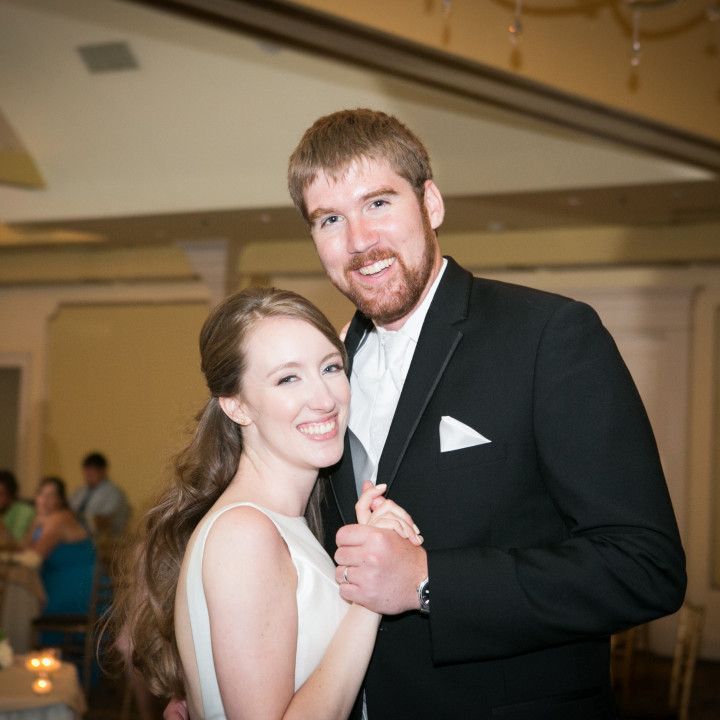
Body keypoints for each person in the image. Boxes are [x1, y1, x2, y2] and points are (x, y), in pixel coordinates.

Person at [283, 108, 687, 719]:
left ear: (432, 204)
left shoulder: (549, 335)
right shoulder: (325, 367)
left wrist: (427, 582)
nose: (359, 241)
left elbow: (645, 566)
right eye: (330, 219)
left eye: (379, 204)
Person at [115, 288, 422, 719]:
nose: (325, 398)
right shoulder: (245, 533)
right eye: (287, 378)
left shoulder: (281, 524)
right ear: (236, 405)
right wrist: (370, 595)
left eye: (330, 367)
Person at [24, 476, 95, 618]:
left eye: (51, 496)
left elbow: (33, 558)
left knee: (20, 601)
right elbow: (24, 549)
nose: (44, 500)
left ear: (61, 500)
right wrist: (34, 525)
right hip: (56, 582)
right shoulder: (41, 520)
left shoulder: (59, 518)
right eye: (41, 494)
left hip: (76, 587)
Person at [69, 452, 130, 536]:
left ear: (103, 471)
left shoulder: (113, 493)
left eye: (92, 471)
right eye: (86, 471)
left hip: (104, 541)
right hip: (77, 535)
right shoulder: (81, 491)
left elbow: (104, 521)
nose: (88, 475)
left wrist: (78, 518)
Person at [0, 469, 34, 544]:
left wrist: (2, 528)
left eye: (1, 494)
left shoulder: (26, 512)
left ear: (10, 495)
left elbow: (17, 544)